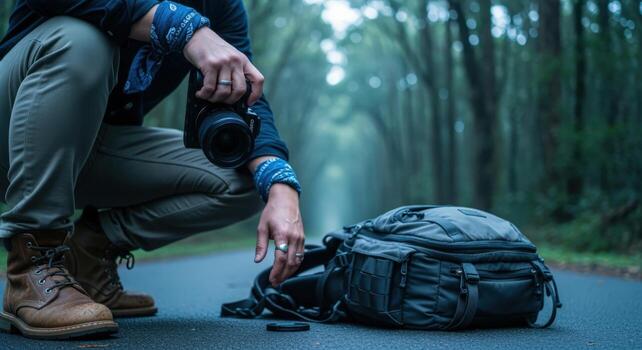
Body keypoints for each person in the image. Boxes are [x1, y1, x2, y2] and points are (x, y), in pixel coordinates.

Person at [0, 0, 305, 340]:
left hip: (90, 148)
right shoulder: (192, 22)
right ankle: (31, 266)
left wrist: (281, 185)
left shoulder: (222, 6)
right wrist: (185, 28)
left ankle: (87, 254)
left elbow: (246, 95)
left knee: (241, 180)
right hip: (13, 131)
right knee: (82, 40)